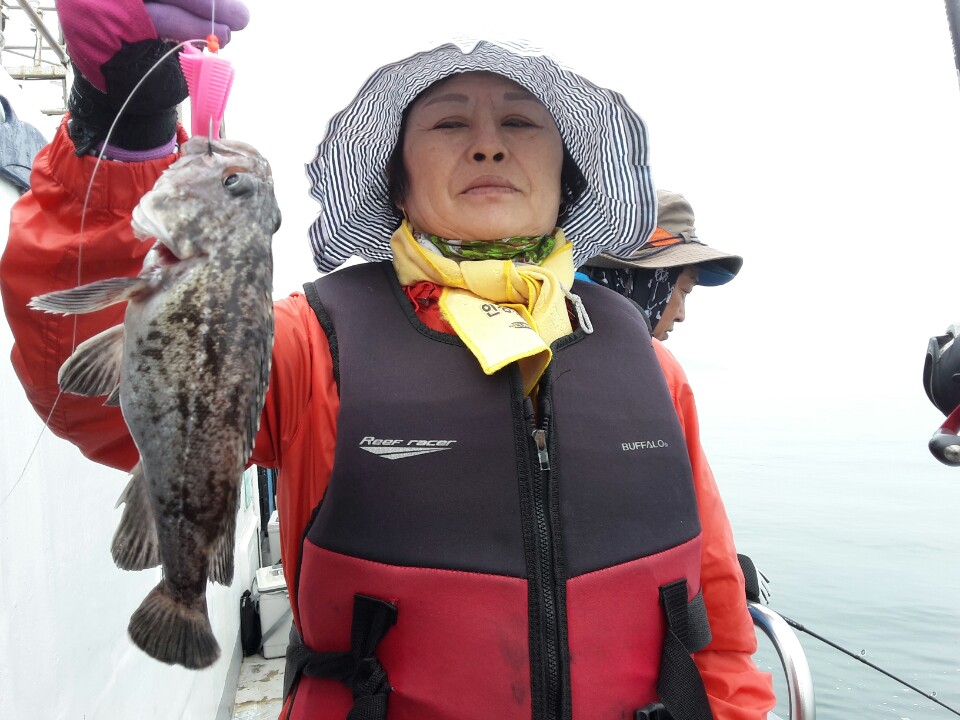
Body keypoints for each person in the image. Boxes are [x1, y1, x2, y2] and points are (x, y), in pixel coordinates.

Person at [0, 2, 775, 718]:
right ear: (397, 182)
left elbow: (716, 626)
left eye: (520, 121)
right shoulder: (309, 344)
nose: (488, 143)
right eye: (448, 122)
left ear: (567, 179)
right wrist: (124, 114)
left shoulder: (655, 375)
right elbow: (96, 389)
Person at [579, 189, 743, 341]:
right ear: (649, 278)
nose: (681, 316)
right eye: (685, 290)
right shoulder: (615, 353)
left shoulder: (570, 314)